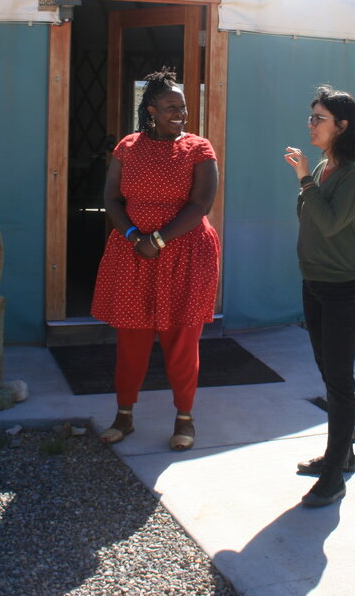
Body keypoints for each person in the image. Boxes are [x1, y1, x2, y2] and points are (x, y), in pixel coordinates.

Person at [93, 69, 221, 451]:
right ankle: (124, 416)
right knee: (131, 338)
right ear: (151, 110)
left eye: (182, 106)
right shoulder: (128, 147)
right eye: (170, 107)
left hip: (186, 254)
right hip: (134, 254)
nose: (179, 113)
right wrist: (136, 236)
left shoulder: (199, 148)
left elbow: (201, 204)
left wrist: (159, 239)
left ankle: (185, 419)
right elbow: (112, 199)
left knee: (181, 340)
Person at [282, 85, 355, 507]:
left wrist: (304, 178)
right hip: (315, 282)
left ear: (342, 125)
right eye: (311, 117)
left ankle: (334, 477)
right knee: (327, 371)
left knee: (339, 379)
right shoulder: (324, 167)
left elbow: (330, 222)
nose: (311, 124)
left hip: (345, 287)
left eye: (318, 118)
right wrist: (309, 179)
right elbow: (308, 215)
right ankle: (345, 455)